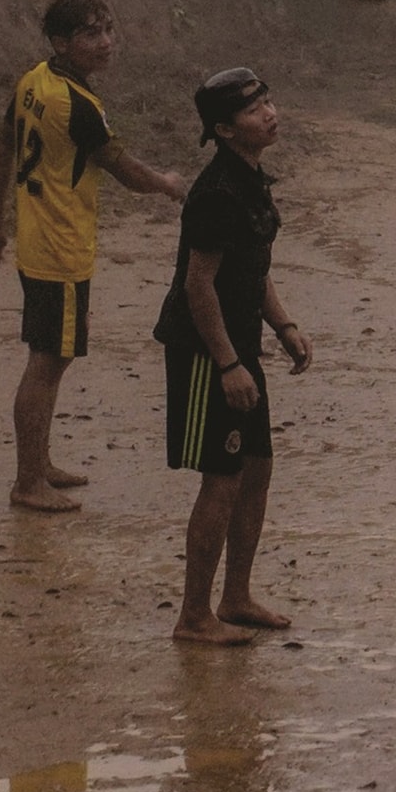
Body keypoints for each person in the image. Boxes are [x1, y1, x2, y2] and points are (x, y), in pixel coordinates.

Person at [0, 0, 188, 512]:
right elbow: (125, 171)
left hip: (35, 242)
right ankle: (28, 482)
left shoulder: (34, 81)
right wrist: (166, 183)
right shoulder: (77, 105)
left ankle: (38, 464)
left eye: (108, 29)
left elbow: (3, 145)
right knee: (49, 360)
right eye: (91, 33)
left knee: (52, 356)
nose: (106, 42)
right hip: (61, 250)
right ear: (61, 42)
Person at [157, 65, 312, 646]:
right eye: (253, 110)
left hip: (241, 342)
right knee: (220, 478)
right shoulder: (217, 192)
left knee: (256, 470)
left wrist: (284, 325)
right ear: (224, 130)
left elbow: (255, 268)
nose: (269, 114)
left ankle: (236, 596)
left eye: (268, 101)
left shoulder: (251, 180)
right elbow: (200, 285)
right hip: (205, 350)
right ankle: (193, 616)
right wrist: (226, 365)